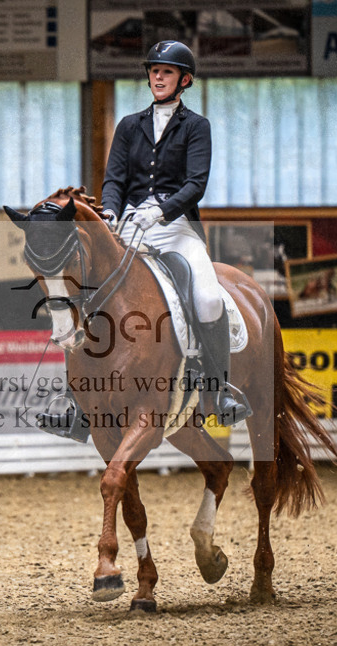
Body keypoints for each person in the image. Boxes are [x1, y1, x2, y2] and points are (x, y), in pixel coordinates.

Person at [100, 40, 251, 428]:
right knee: (92, 290)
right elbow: (115, 179)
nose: (157, 77)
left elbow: (196, 183)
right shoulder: (129, 125)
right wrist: (111, 212)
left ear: (184, 79)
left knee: (206, 298)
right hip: (130, 226)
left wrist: (162, 211)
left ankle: (218, 389)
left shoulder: (196, 126)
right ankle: (74, 397)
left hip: (177, 228)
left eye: (166, 72)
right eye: (153, 71)